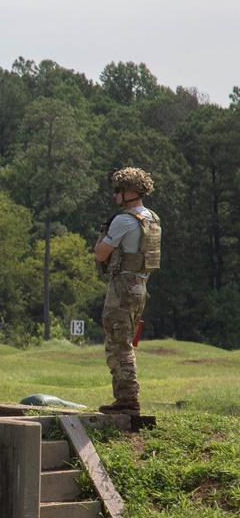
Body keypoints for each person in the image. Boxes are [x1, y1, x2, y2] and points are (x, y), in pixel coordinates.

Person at [94, 167, 161, 415]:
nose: (115, 195)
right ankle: (126, 397)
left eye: (119, 190)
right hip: (140, 285)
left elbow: (101, 253)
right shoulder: (152, 219)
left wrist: (103, 233)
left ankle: (127, 399)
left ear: (131, 192)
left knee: (117, 343)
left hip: (122, 286)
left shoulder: (124, 220)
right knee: (125, 340)